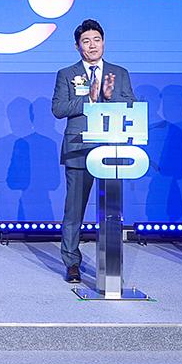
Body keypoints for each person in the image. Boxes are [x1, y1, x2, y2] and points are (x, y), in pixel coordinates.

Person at [51, 19, 136, 284]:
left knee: (111, 211)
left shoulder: (119, 73)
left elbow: (130, 105)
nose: (92, 45)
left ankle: (109, 264)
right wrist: (89, 98)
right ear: (77, 46)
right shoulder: (66, 74)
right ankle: (72, 263)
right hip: (79, 149)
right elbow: (59, 109)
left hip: (111, 149)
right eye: (86, 41)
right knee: (74, 211)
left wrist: (109, 98)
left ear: (104, 42)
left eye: (96, 40)